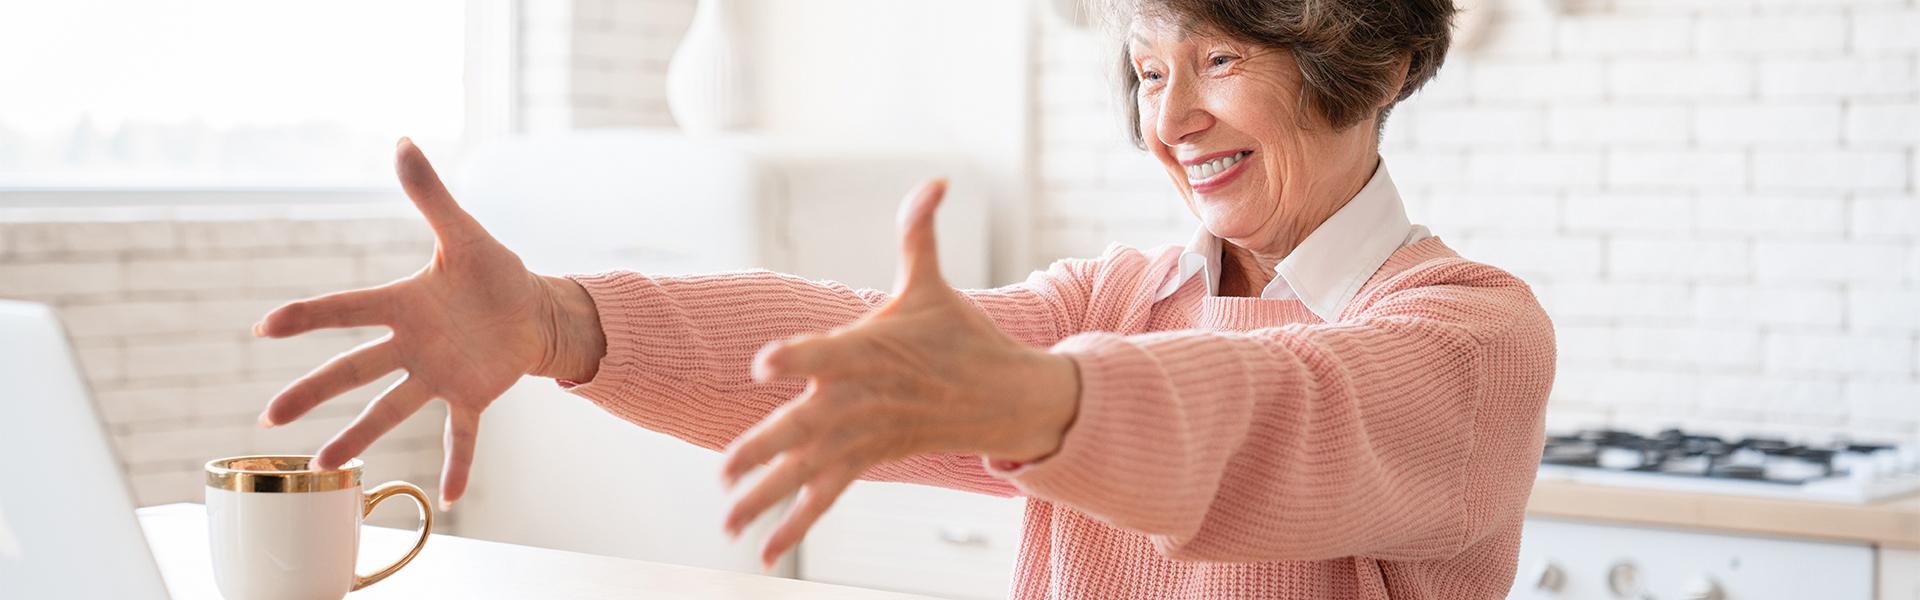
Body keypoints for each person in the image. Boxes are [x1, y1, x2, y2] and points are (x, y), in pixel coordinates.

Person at [254, 0, 1555, 597]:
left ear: (1361, 62)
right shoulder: (1119, 296)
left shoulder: (1471, 335)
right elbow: (843, 338)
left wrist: (1049, 400)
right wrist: (562, 323)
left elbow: (1285, 410)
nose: (1174, 117)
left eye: (1218, 58)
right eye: (1148, 68)